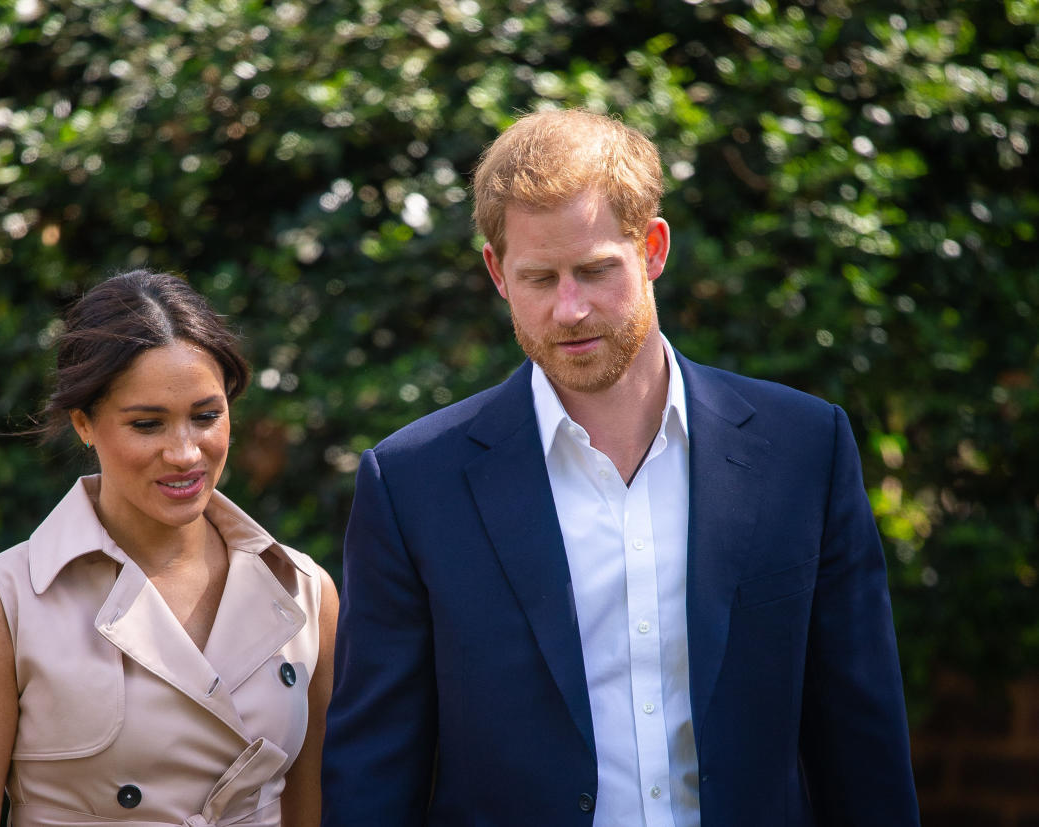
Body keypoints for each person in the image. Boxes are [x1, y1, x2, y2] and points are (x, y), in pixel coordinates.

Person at [320, 109, 919, 826]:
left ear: (653, 247)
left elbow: (862, 738)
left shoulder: (803, 448)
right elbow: (374, 775)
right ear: (495, 272)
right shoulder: (411, 483)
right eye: (539, 278)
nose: (569, 310)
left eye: (596, 269)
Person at [0, 270, 338, 827]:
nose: (185, 453)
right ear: (84, 425)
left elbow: (312, 810)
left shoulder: (303, 591)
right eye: (147, 424)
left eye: (206, 416)